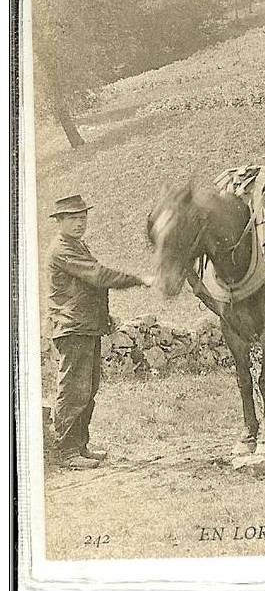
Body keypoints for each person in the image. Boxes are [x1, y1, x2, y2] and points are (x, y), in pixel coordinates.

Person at [47, 194, 151, 470]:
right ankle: (67, 452)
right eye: (72, 219)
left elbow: (91, 284)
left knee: (88, 388)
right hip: (72, 327)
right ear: (59, 221)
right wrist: (138, 279)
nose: (80, 223)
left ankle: (80, 446)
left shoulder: (77, 245)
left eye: (83, 218)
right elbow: (99, 276)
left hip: (85, 326)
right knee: (74, 390)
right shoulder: (63, 249)